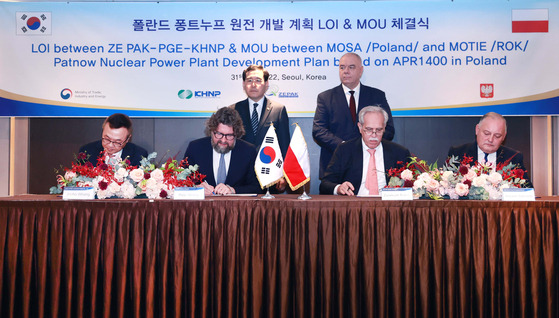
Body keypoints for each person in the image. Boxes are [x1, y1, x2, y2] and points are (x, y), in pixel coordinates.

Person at [313, 52, 395, 179]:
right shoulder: (325, 97)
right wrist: (345, 147)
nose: (345, 71)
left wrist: (365, 144)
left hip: (371, 165)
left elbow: (388, 129)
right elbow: (319, 131)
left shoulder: (377, 96)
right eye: (342, 67)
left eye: (351, 67)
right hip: (335, 166)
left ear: (361, 70)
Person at [319, 106, 410, 196]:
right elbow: (325, 184)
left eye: (379, 130)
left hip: (389, 206)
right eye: (369, 130)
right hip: (355, 206)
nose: (374, 135)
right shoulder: (344, 150)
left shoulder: (400, 152)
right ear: (360, 127)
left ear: (384, 128)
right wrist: (339, 188)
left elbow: (411, 185)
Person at [231, 64, 290, 192]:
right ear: (243, 84)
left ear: (266, 84)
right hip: (241, 178)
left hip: (271, 176)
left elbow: (284, 145)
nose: (253, 84)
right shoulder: (233, 110)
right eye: (249, 80)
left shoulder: (278, 110)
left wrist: (283, 175)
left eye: (258, 80)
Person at [184, 107, 262, 195]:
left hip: (236, 207)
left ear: (237, 134)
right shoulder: (195, 148)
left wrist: (233, 190)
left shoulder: (249, 151)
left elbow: (257, 187)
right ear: (212, 131)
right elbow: (181, 181)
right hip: (202, 207)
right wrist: (196, 188)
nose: (223, 140)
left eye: (229, 135)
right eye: (219, 134)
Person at [447, 112, 532, 187]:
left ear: (504, 136)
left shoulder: (513, 157)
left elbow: (527, 190)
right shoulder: (458, 153)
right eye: (486, 133)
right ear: (477, 130)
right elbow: (445, 186)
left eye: (497, 136)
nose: (490, 139)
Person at [79, 113, 148, 166]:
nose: (110, 145)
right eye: (107, 139)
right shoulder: (87, 151)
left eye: (117, 142)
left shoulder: (139, 155)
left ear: (127, 139)